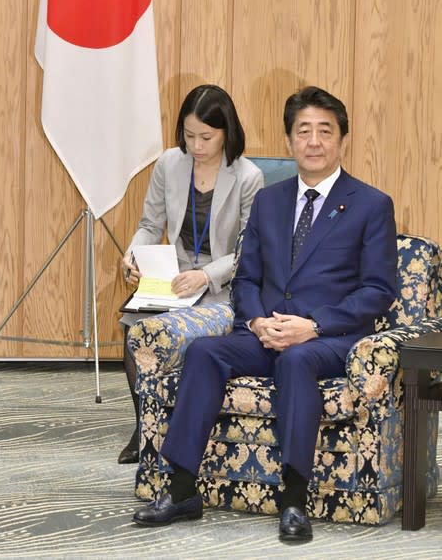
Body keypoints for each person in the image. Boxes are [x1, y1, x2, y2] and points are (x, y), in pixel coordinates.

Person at [130, 86, 398, 544]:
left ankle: (293, 500)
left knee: (296, 361)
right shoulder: (270, 202)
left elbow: (378, 290)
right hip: (264, 331)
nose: (313, 141)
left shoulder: (371, 204)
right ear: (289, 140)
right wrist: (256, 322)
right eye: (303, 132)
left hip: (328, 339)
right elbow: (246, 277)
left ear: (343, 140)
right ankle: (180, 490)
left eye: (324, 132)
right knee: (204, 353)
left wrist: (312, 326)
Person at [117, 85, 263, 464]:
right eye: (189, 135)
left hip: (221, 283)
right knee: (134, 326)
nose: (196, 146)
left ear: (226, 132)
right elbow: (150, 223)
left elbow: (249, 250)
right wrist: (134, 253)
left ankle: (179, 425)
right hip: (173, 276)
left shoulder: (248, 177)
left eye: (206, 137)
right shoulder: (169, 163)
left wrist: (207, 276)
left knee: (192, 336)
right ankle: (144, 426)